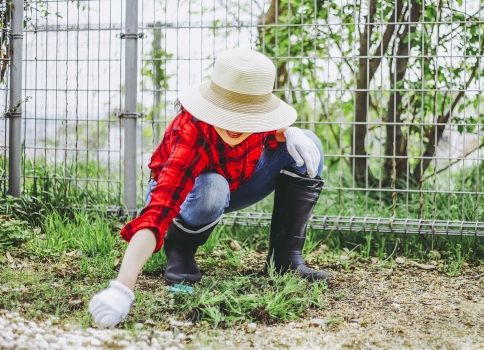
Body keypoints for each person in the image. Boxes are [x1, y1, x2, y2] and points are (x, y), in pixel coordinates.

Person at [88, 48, 327, 328]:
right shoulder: (191, 132)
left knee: (309, 143)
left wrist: (288, 131)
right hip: (191, 196)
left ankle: (285, 260)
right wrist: (122, 287)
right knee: (213, 186)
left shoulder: (263, 123)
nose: (235, 125)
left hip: (238, 182)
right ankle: (180, 250)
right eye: (228, 112)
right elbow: (159, 210)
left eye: (246, 115)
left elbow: (274, 134)